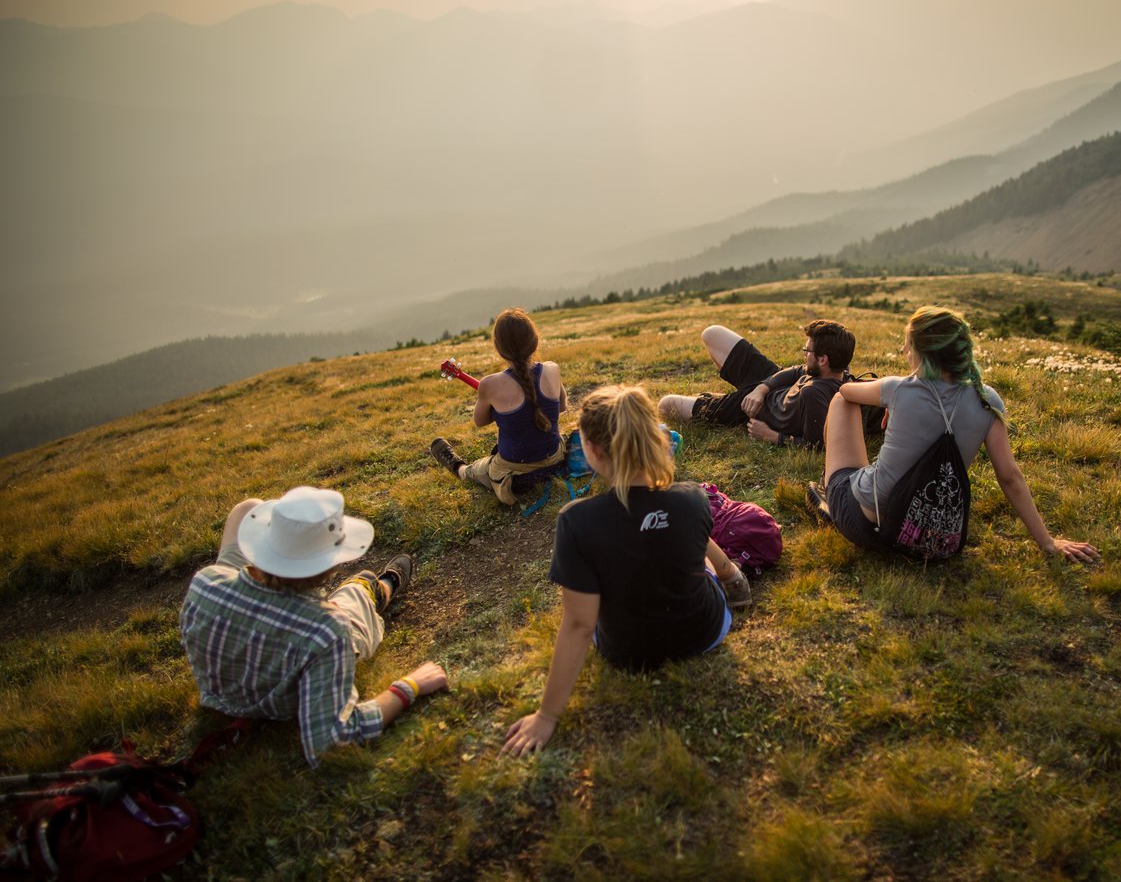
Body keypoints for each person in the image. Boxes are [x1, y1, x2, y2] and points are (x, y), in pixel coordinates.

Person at [501, 385, 753, 756]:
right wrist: (728, 573)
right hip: (706, 631)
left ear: (595, 451)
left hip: (628, 653)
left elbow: (579, 625)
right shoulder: (692, 497)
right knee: (689, 545)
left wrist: (548, 715)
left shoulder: (576, 521)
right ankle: (732, 576)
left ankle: (726, 574)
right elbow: (694, 544)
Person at [180, 486, 448, 766]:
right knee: (355, 596)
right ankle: (378, 587)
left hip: (219, 689)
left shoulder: (206, 582)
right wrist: (408, 687)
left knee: (248, 507)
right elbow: (329, 742)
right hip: (280, 698)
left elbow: (241, 522)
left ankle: (362, 586)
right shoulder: (326, 629)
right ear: (329, 567)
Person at [817, 306, 1099, 563]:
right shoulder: (987, 399)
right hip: (932, 538)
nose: (904, 349)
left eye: (909, 343)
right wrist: (1047, 542)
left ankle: (830, 492)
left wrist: (890, 398)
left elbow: (845, 390)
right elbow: (1009, 476)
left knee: (842, 403)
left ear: (924, 352)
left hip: (868, 527)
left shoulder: (898, 388)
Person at [431, 308, 568, 505]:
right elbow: (562, 406)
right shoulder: (552, 369)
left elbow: (480, 421)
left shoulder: (489, 385)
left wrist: (501, 406)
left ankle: (458, 467)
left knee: (481, 469)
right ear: (535, 340)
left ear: (499, 348)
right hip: (555, 460)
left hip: (517, 477)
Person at [658, 320, 856, 448]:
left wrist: (770, 435)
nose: (804, 355)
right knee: (712, 333)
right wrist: (762, 388)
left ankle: (724, 402)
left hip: (751, 409)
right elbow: (797, 370)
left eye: (807, 352)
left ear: (823, 360)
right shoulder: (839, 370)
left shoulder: (815, 394)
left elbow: (816, 446)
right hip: (768, 383)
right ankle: (732, 395)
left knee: (666, 405)